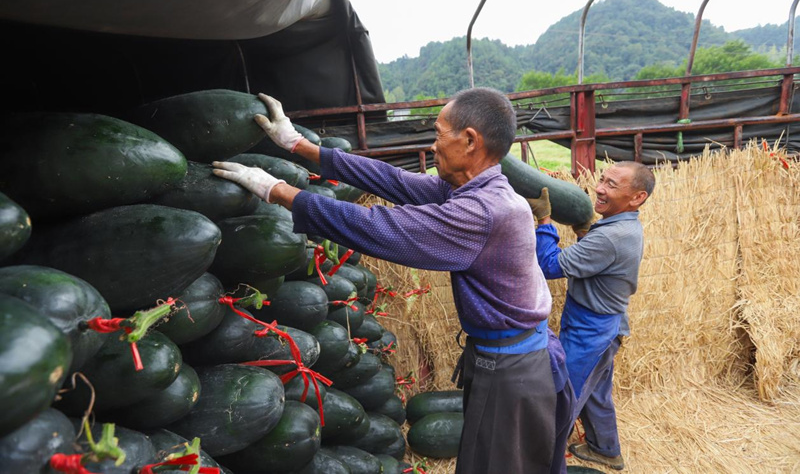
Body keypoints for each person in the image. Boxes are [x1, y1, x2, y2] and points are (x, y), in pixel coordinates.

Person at [213, 88, 573, 474]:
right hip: (517, 358)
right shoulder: (481, 188)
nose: (433, 145)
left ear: (469, 141)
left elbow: (379, 227)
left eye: (438, 134)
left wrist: (277, 190)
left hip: (512, 369)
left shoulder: (483, 211)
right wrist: (300, 146)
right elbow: (394, 181)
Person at [528, 162, 655, 471]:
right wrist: (583, 229)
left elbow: (549, 265)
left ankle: (543, 462)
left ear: (637, 198)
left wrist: (544, 219)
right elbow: (595, 260)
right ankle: (605, 449)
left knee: (563, 397)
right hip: (605, 324)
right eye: (602, 180)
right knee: (595, 392)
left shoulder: (613, 236)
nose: (599, 188)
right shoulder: (619, 226)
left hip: (592, 330)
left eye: (612, 185)